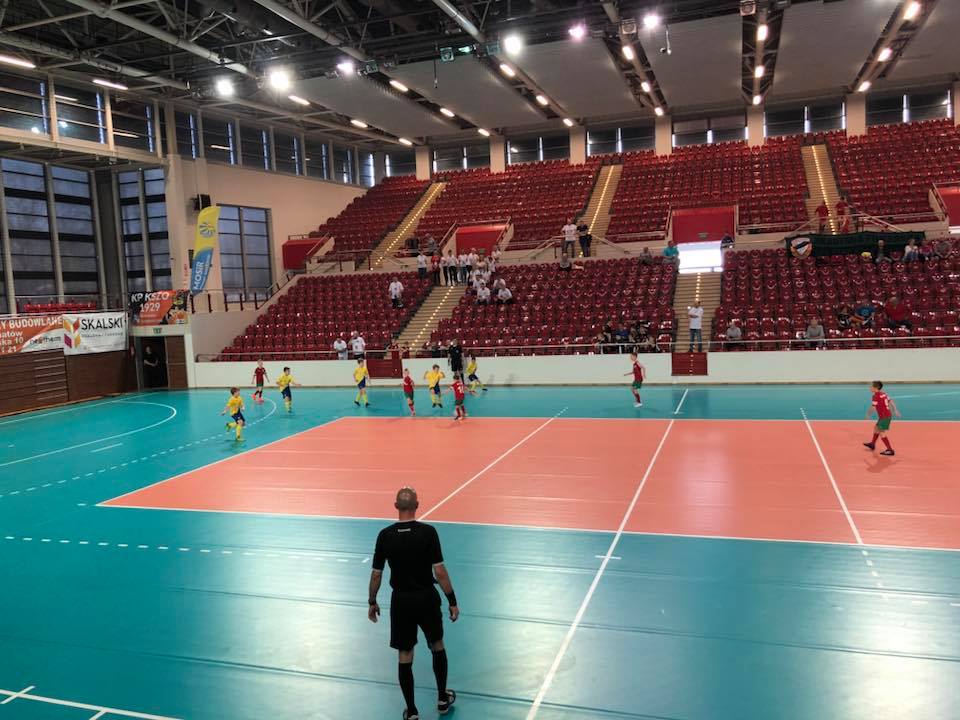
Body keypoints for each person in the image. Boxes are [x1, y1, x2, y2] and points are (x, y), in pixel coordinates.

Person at [368, 487, 459, 720]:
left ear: (395, 506)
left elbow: (376, 574)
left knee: (405, 653)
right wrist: (452, 600)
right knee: (437, 644)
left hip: (401, 602)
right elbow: (440, 571)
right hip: (426, 598)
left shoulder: (385, 535)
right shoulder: (428, 532)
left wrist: (372, 601)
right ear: (417, 506)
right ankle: (442, 698)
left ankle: (412, 711)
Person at [863, 380, 900, 457]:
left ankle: (890, 450)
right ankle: (872, 444)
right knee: (876, 428)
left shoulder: (875, 396)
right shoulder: (884, 394)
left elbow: (873, 407)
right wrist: (895, 410)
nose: (870, 388)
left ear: (875, 388)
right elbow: (891, 401)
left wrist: (868, 414)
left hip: (884, 417)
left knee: (882, 433)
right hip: (885, 416)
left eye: (871, 386)